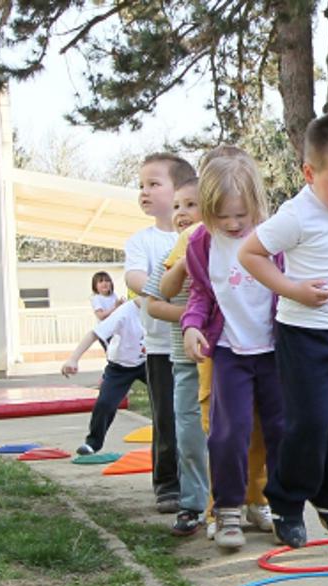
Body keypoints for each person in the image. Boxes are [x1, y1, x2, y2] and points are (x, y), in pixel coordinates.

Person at [238, 113, 328, 549]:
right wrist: (293, 289)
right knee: (310, 423)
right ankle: (285, 501)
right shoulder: (295, 216)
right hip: (304, 336)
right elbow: (251, 254)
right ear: (309, 173)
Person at [181, 153, 285, 550]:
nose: (233, 224)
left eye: (241, 214)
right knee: (229, 432)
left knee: (280, 430)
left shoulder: (275, 236)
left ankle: (281, 505)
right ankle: (227, 509)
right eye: (222, 216)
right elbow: (201, 295)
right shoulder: (201, 244)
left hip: (275, 352)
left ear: (257, 204)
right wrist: (192, 325)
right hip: (228, 352)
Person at [124, 152, 195, 512]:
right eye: (141, 186)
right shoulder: (143, 241)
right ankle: (167, 482)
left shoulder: (201, 235)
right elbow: (135, 278)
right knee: (166, 416)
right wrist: (156, 291)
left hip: (198, 347)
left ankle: (201, 482)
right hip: (160, 346)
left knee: (195, 416)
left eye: (154, 184)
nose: (144, 192)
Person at [143, 176, 209, 535]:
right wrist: (194, 318)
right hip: (185, 362)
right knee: (188, 433)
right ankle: (193, 503)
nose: (182, 213)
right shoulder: (173, 256)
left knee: (232, 432)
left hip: (225, 361)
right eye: (178, 205)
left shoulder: (225, 247)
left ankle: (240, 500)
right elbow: (154, 304)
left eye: (191, 205)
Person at [61, 298, 148, 455]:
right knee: (105, 403)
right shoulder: (126, 312)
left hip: (149, 363)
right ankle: (93, 443)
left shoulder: (162, 309)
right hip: (120, 367)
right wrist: (73, 359)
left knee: (169, 397)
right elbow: (94, 334)